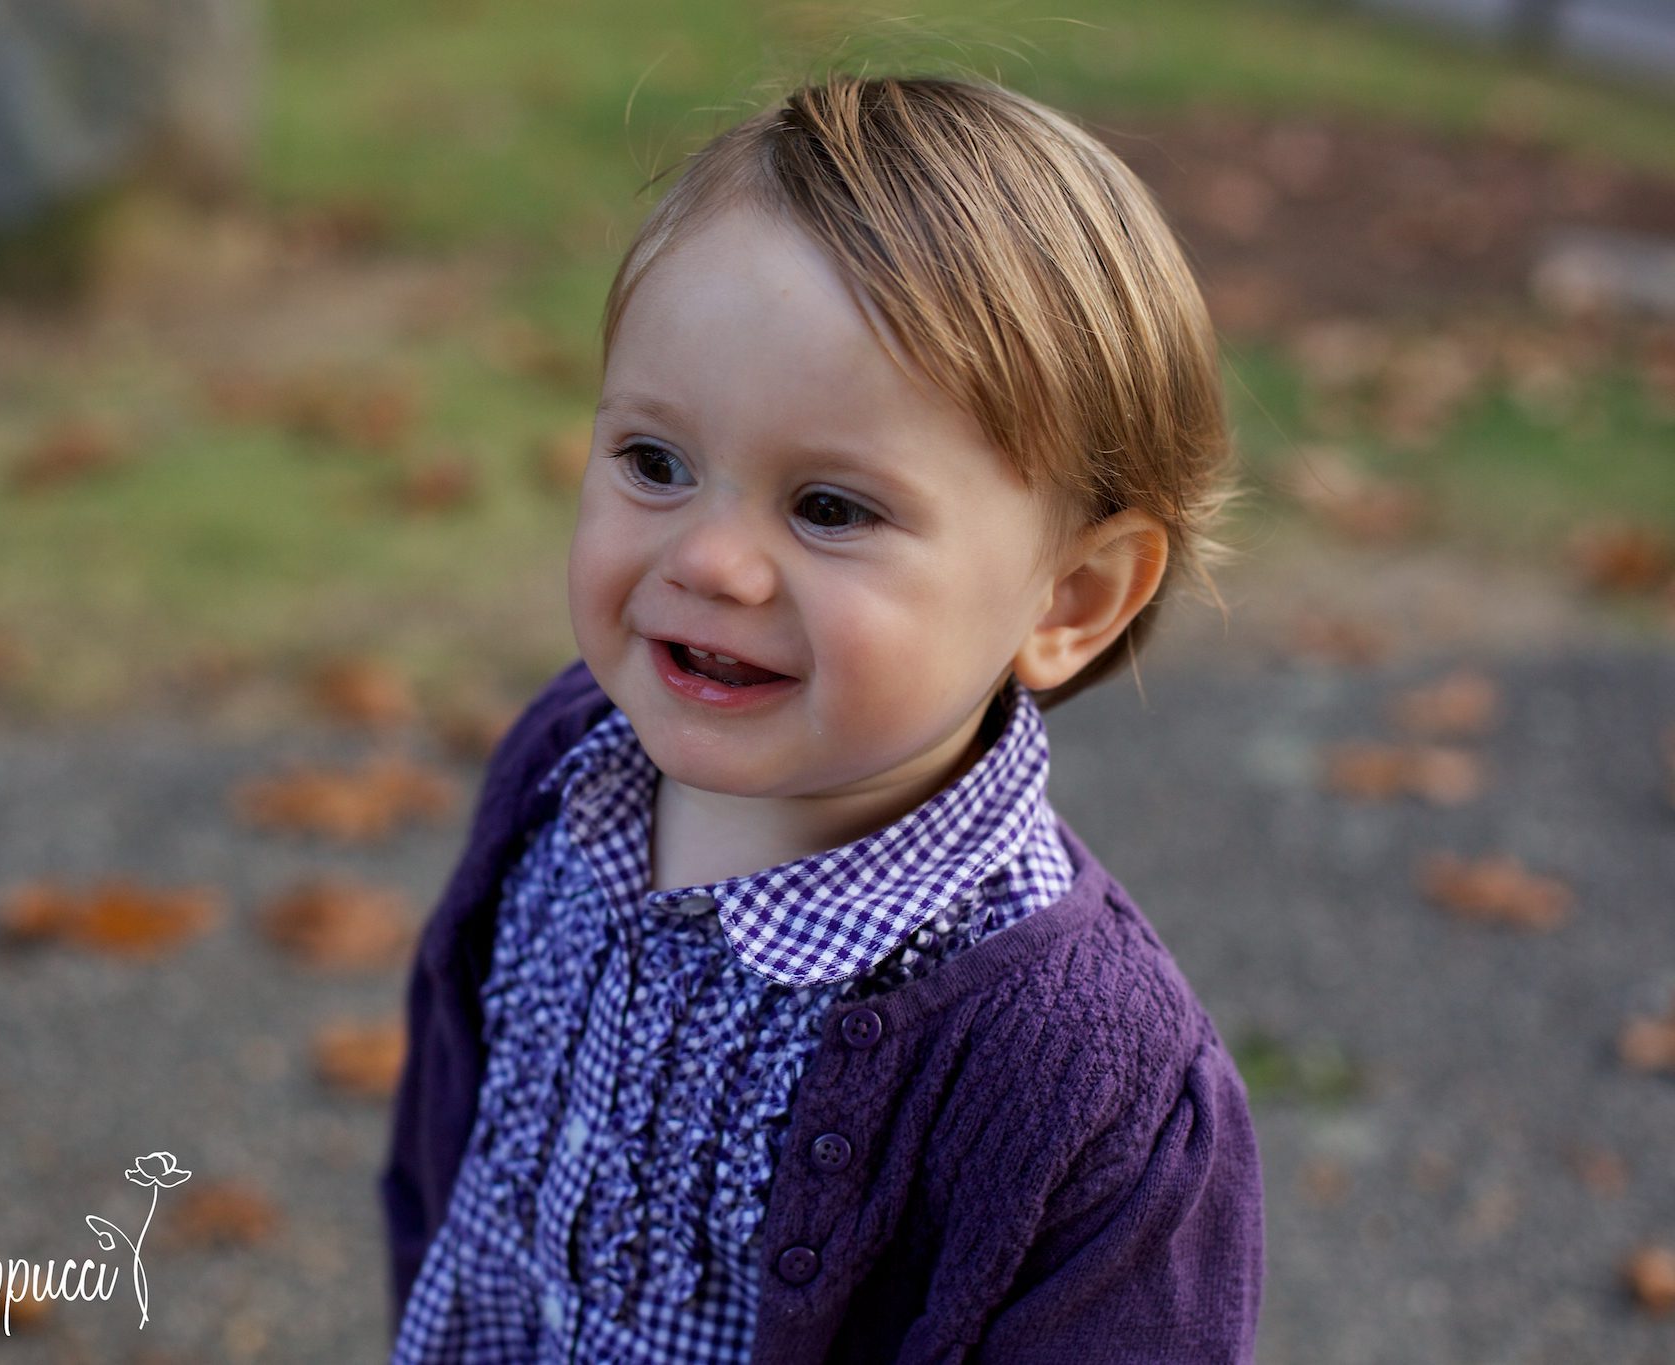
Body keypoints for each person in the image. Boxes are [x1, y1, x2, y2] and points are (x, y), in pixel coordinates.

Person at [380, 71, 1263, 1364]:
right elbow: (453, 1151)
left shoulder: (1082, 1074)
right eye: (656, 463)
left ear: (1070, 597)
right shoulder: (562, 769)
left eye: (831, 508)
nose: (711, 562)